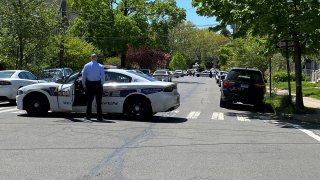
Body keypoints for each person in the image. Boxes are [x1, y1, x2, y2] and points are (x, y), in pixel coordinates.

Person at [82, 54, 105, 121]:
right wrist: (101, 84)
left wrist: (84, 85)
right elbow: (103, 77)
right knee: (98, 101)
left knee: (89, 101)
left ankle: (88, 116)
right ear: (96, 58)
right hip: (98, 84)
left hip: (89, 84)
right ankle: (99, 117)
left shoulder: (86, 65)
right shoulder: (100, 66)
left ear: (91, 58)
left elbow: (84, 76)